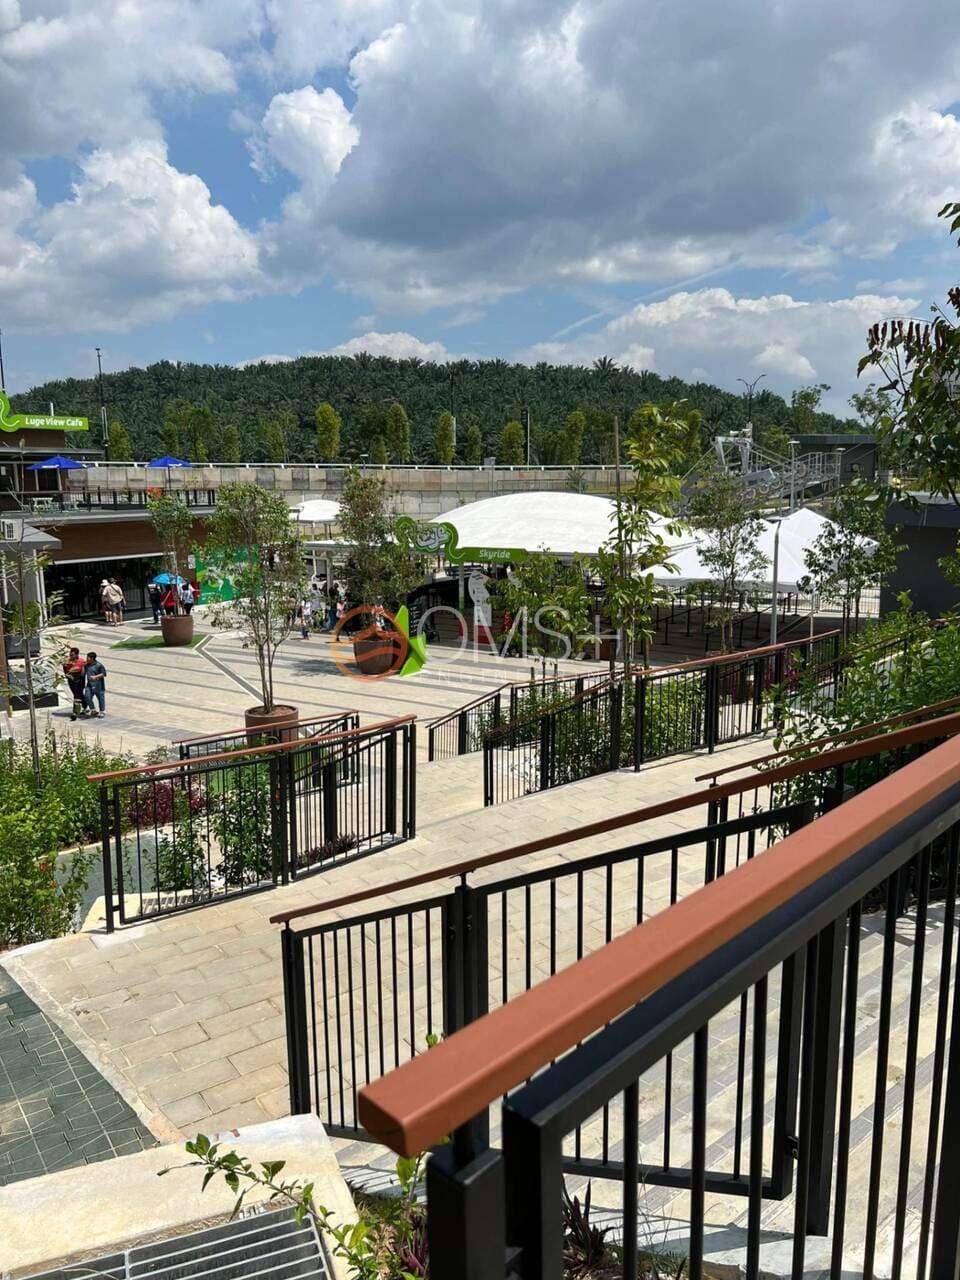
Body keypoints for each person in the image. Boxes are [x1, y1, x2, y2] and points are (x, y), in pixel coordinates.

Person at [62, 647, 88, 720]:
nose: (70, 656)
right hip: (71, 681)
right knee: (79, 695)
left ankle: (75, 712)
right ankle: (85, 706)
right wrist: (65, 668)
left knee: (76, 696)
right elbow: (66, 671)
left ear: (77, 655)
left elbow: (84, 672)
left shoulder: (81, 661)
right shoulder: (68, 662)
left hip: (79, 681)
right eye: (70, 654)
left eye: (72, 655)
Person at [83, 652, 107, 718]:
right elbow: (83, 673)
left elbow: (104, 674)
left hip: (99, 685)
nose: (86, 659)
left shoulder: (99, 665)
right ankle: (93, 710)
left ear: (92, 658)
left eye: (87, 658)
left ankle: (102, 711)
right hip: (89, 685)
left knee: (100, 698)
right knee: (87, 696)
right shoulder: (86, 665)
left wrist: (95, 677)